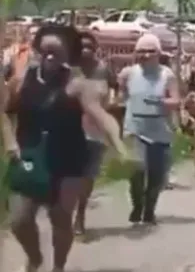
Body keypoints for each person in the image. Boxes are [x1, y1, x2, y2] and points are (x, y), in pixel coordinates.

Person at [1, 24, 128, 272]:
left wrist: (119, 144)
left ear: (68, 55)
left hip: (68, 160)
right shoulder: (22, 80)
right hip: (28, 156)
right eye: (45, 51)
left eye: (56, 53)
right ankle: (35, 257)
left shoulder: (77, 84)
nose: (49, 57)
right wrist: (9, 142)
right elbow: (4, 112)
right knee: (19, 220)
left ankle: (58, 266)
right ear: (38, 50)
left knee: (60, 219)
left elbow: (101, 116)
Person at [117, 34, 180, 225]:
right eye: (141, 51)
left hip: (159, 128)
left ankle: (149, 210)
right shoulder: (128, 74)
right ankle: (137, 205)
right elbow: (122, 97)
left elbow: (176, 100)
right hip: (135, 128)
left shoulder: (166, 75)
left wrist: (163, 102)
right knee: (137, 171)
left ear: (158, 53)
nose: (145, 55)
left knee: (156, 174)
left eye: (150, 51)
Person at [74, 31, 117, 237]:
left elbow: (116, 92)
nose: (85, 50)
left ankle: (80, 214)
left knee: (88, 177)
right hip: (68, 131)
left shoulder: (103, 71)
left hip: (95, 132)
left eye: (89, 46)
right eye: (81, 46)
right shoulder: (68, 70)